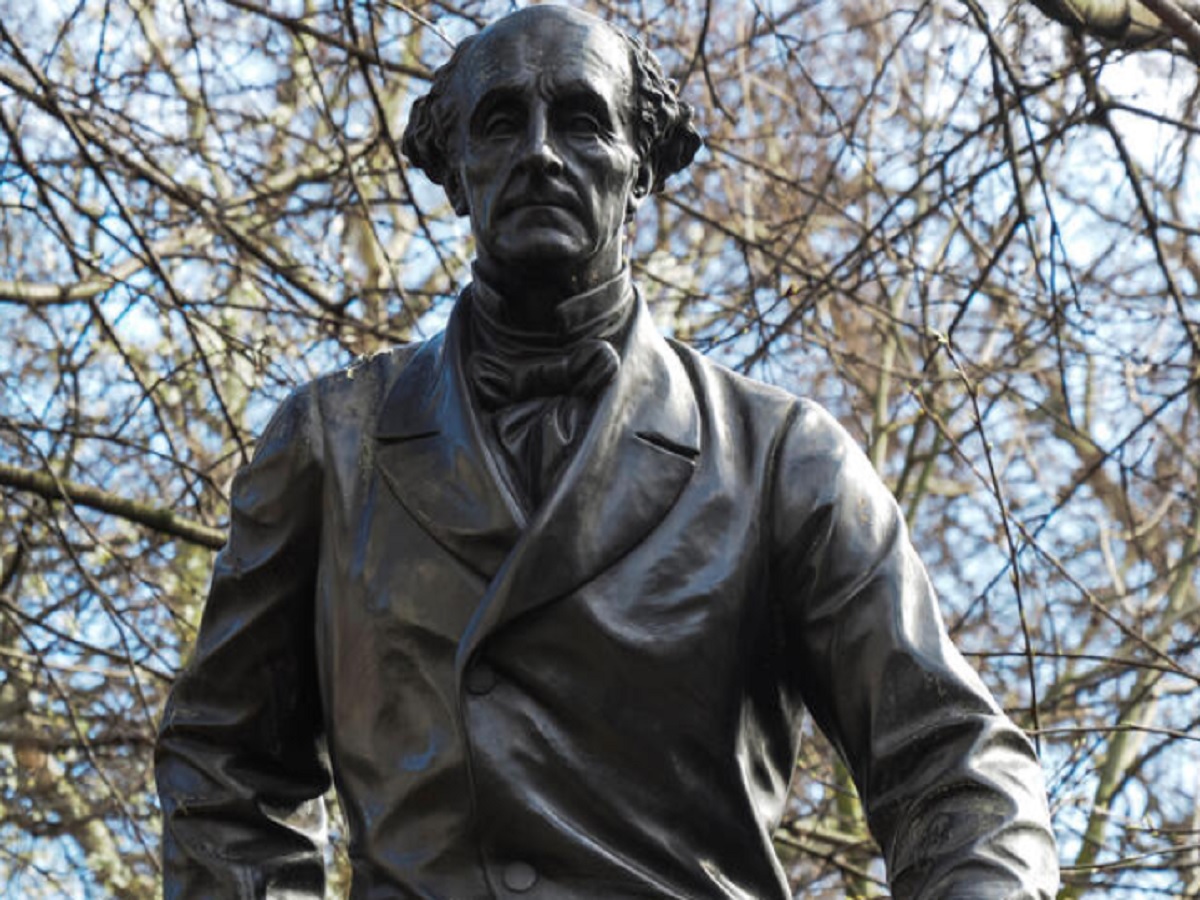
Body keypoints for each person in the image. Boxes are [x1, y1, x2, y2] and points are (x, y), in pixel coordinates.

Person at [156, 6, 1059, 898]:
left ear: (641, 169)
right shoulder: (332, 444)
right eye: (501, 121)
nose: (542, 151)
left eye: (583, 120)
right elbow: (222, 764)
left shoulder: (783, 458)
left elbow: (954, 761)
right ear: (456, 171)